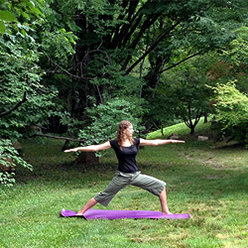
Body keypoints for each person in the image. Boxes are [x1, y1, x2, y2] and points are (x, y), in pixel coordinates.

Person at [64, 120, 185, 215]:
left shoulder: (135, 141)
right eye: (131, 128)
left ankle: (165, 211)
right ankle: (80, 212)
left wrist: (170, 142)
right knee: (103, 194)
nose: (133, 130)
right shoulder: (114, 143)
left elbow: (155, 142)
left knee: (161, 186)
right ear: (124, 130)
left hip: (136, 175)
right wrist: (78, 148)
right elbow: (96, 148)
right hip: (122, 176)